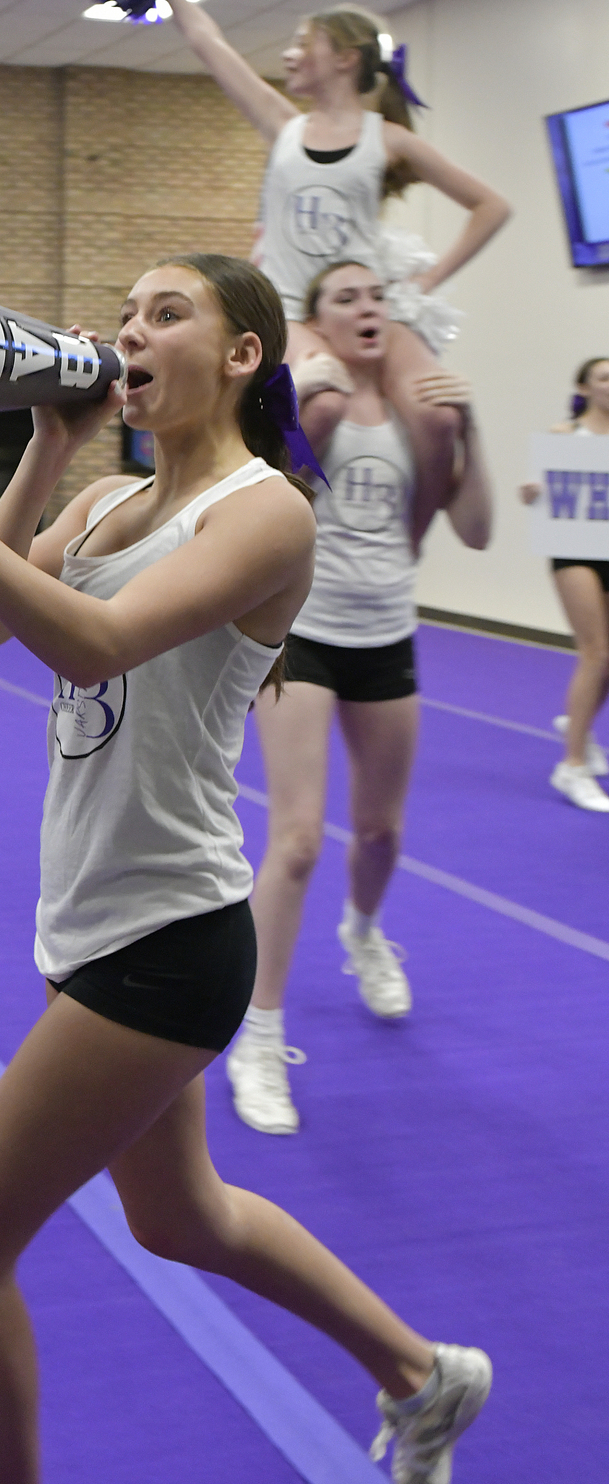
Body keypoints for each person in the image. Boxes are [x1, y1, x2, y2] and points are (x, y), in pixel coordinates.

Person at [0, 254, 490, 1484]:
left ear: (245, 352)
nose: (129, 332)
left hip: (168, 939)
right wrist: (41, 448)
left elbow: (97, 643)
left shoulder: (268, 515)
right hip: (84, 919)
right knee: (180, 1216)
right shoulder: (108, 497)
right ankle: (424, 1376)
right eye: (125, 313)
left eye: (165, 312)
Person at [225, 262, 491, 1137]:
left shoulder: (421, 417)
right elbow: (267, 482)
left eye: (376, 296)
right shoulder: (315, 404)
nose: (366, 308)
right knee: (297, 839)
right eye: (345, 299)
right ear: (319, 322)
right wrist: (293, 404)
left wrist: (471, 432)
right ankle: (258, 1037)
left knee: (381, 832)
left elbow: (477, 530)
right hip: (303, 634)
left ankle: (365, 932)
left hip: (387, 640)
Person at [165, 0, 509, 544]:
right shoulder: (285, 126)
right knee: (322, 403)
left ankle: (407, 543)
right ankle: (262, 535)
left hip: (361, 304)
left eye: (304, 43)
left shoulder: (388, 140)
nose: (290, 54)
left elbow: (492, 206)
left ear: (345, 58)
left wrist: (427, 280)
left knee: (439, 416)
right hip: (298, 310)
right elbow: (209, 43)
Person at [520, 356, 609, 812]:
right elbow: (536, 487)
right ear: (585, 387)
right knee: (595, 652)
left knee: (608, 658)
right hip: (576, 550)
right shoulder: (565, 437)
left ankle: (579, 724)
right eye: (604, 377)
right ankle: (572, 764)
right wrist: (533, 492)